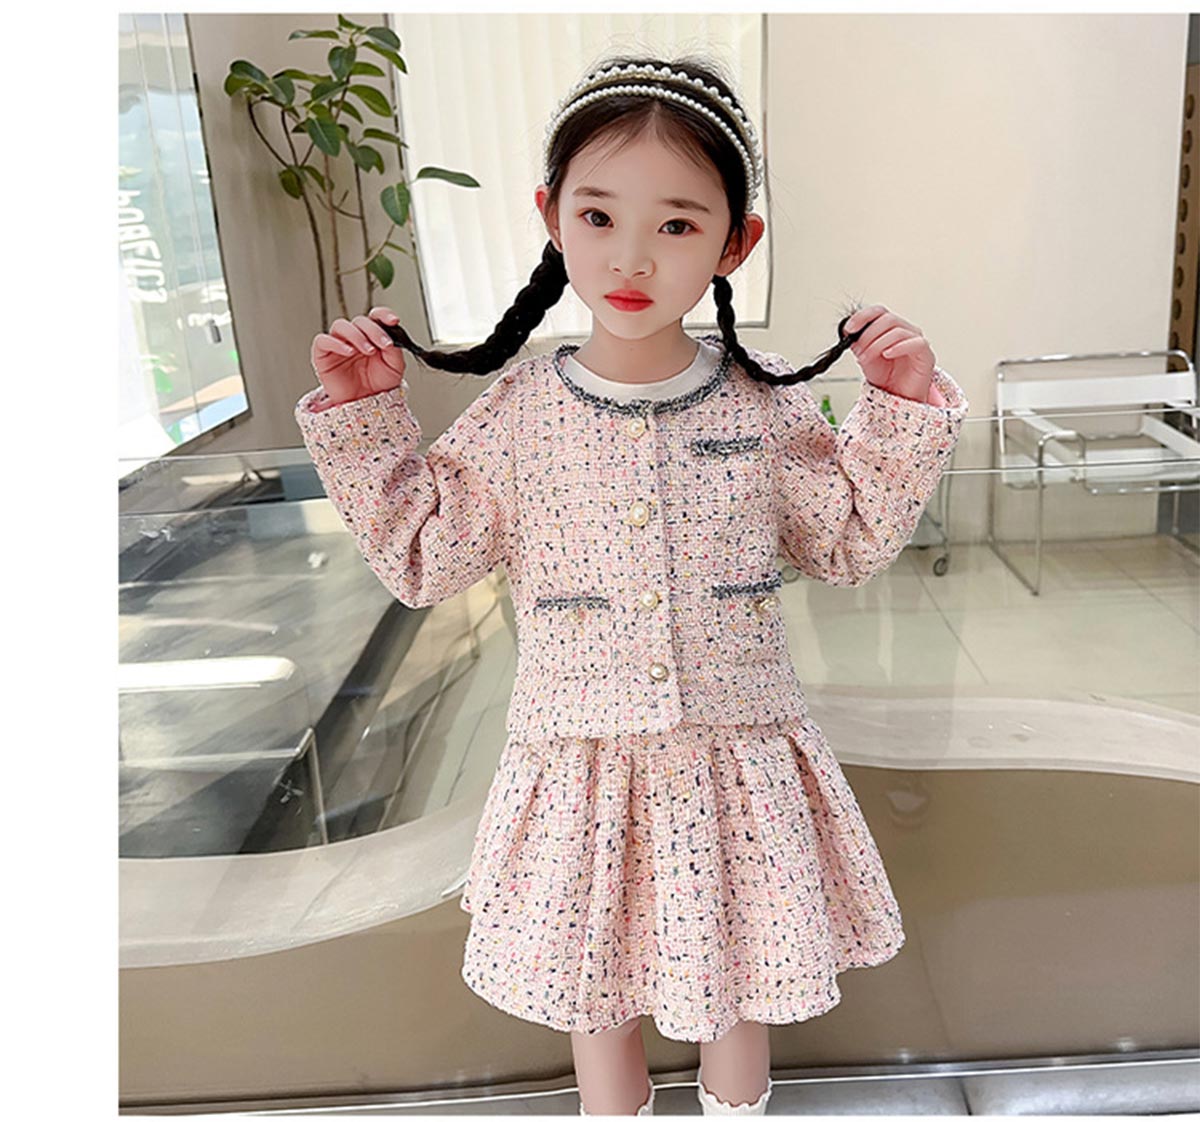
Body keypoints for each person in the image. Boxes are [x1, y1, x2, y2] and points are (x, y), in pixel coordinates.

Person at [295, 52, 969, 1116]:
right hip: (581, 764)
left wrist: (903, 405)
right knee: (593, 991)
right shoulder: (521, 411)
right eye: (599, 216)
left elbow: (844, 541)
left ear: (736, 242)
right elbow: (425, 558)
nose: (632, 257)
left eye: (678, 224)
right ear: (551, 217)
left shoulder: (760, 405)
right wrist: (363, 418)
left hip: (736, 761)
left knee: (739, 978)